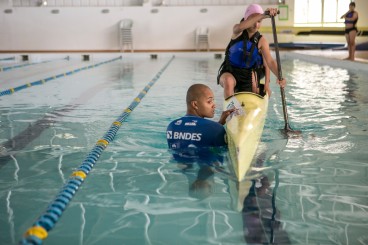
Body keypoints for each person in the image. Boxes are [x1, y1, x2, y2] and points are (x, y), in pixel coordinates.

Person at [217, 4, 286, 99]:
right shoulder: (237, 30)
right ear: (246, 19)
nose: (256, 25)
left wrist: (280, 76)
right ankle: (231, 110)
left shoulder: (262, 40)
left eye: (259, 21)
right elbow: (240, 27)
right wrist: (263, 15)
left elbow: (270, 61)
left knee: (253, 92)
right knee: (228, 81)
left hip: (247, 75)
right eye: (253, 20)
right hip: (229, 71)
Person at [166, 84, 234, 163]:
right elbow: (224, 155)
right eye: (209, 101)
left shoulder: (171, 127)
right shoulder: (216, 129)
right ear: (195, 104)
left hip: (181, 166)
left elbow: (196, 134)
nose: (214, 105)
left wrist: (219, 124)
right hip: (207, 168)